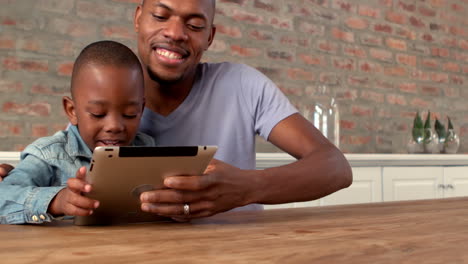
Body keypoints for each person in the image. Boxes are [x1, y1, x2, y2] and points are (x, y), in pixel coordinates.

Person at [1, 0, 352, 221]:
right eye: (160, 15)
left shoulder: (243, 85)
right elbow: (59, 166)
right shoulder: (105, 87)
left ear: (210, 36)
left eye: (195, 25)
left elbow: (335, 167)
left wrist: (247, 187)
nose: (175, 33)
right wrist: (32, 187)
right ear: (138, 18)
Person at [0, 40, 154, 224]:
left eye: (130, 114)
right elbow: (4, 196)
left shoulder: (147, 149)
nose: (114, 126)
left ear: (142, 110)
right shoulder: (49, 155)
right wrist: (56, 201)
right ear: (72, 111)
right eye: (98, 114)